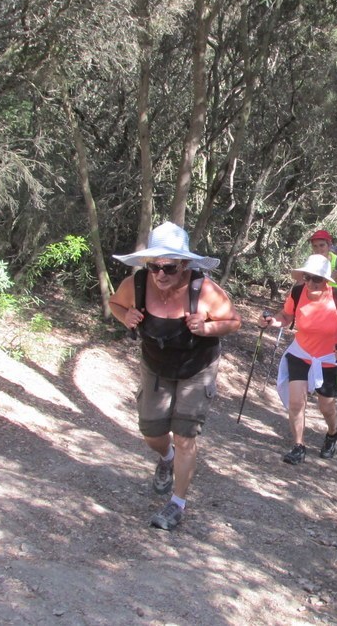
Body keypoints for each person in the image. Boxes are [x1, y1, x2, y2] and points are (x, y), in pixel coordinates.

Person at [109, 221, 242, 531]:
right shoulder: (137, 285)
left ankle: (177, 503)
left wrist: (208, 327)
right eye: (154, 265)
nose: (160, 274)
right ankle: (165, 457)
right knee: (151, 432)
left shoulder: (205, 290)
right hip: (155, 368)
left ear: (184, 265)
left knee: (185, 437)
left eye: (168, 267)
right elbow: (115, 303)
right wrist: (124, 316)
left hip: (197, 369)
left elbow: (234, 321)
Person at [263, 255, 337, 465]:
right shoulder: (297, 293)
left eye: (317, 279)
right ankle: (298, 446)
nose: (311, 283)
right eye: (307, 277)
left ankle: (332, 434)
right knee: (296, 402)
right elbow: (286, 317)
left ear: (326, 280)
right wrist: (272, 321)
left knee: (326, 406)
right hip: (301, 353)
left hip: (329, 357)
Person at [291, 229, 337, 293]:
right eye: (315, 246)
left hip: (333, 301)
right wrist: (292, 293)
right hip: (312, 298)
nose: (318, 249)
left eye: (322, 245)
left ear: (329, 246)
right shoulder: (311, 261)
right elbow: (302, 280)